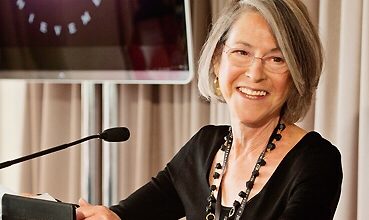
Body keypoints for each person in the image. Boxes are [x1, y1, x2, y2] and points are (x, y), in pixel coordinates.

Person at [76, 0, 343, 219]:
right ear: (217, 62)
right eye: (241, 52)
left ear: (297, 73)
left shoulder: (316, 162)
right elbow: (126, 216)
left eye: (276, 59)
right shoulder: (204, 147)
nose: (254, 73)